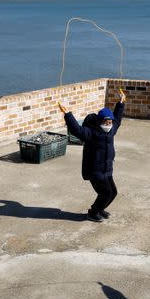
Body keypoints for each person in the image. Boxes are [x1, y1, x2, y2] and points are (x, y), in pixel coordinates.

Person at [59, 90, 125, 222]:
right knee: (105, 193)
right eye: (106, 122)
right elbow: (76, 130)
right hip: (95, 171)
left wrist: (121, 102)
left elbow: (117, 118)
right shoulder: (91, 133)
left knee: (113, 193)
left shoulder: (112, 130)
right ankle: (92, 213)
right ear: (100, 121)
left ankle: (99, 209)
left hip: (107, 169)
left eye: (110, 122)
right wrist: (67, 114)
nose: (108, 125)